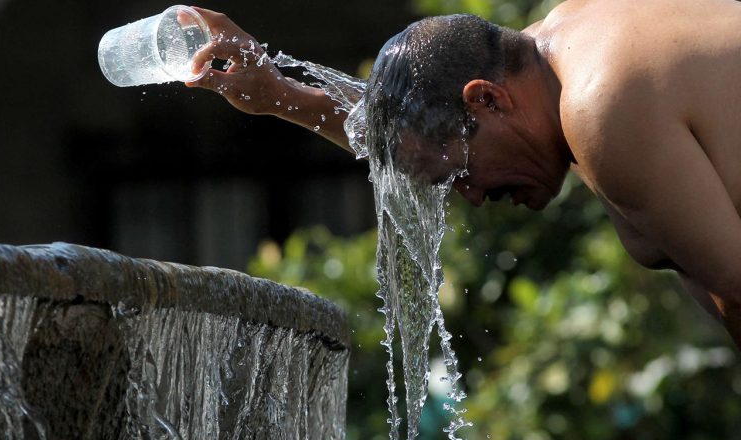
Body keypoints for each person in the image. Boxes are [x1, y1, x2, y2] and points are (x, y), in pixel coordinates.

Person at [184, 0, 741, 348]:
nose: (472, 196)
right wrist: (281, 96)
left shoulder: (602, 110)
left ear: (489, 101)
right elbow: (423, 133)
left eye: (460, 175)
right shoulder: (569, 38)